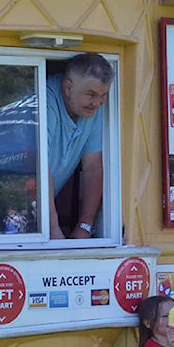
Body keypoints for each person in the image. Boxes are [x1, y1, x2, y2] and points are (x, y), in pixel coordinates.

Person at [46, 52, 113, 239]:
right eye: (91, 94)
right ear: (68, 88)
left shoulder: (93, 109)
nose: (97, 103)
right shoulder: (44, 101)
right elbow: (38, 168)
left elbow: (93, 167)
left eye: (104, 95)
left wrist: (85, 226)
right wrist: (52, 230)